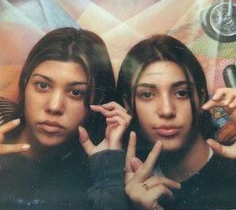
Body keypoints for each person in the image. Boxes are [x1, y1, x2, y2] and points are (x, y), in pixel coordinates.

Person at [0, 27, 121, 209]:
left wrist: (109, 170)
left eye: (75, 92)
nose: (54, 106)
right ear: (25, 84)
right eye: (42, 85)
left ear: (99, 101)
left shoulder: (100, 173)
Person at [115, 34, 236, 210]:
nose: (167, 110)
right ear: (128, 105)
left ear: (201, 97)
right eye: (147, 95)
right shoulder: (124, 187)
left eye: (181, 93)